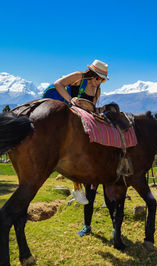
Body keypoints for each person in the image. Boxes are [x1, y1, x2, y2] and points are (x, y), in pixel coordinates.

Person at [42, 59, 109, 205]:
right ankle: (77, 187)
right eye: (98, 78)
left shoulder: (97, 90)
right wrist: (70, 99)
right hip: (66, 109)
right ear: (92, 74)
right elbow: (58, 84)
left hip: (80, 115)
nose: (99, 82)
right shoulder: (79, 76)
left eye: (102, 80)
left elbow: (92, 107)